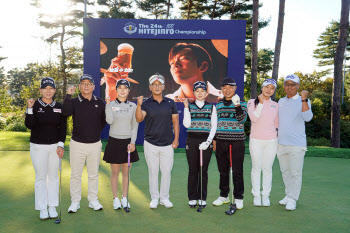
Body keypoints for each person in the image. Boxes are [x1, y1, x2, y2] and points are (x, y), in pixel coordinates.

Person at [62, 74, 106, 213]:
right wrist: (68, 95)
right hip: (77, 144)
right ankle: (75, 202)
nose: (86, 86)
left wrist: (95, 132)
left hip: (95, 144)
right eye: (83, 83)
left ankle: (93, 200)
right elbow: (65, 112)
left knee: (93, 174)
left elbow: (103, 121)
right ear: (79, 86)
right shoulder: (74, 101)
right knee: (76, 174)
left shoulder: (99, 102)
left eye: (89, 83)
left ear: (93, 86)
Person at [25, 77, 67, 220]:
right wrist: (29, 109)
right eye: (45, 88)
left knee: (54, 177)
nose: (48, 91)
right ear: (41, 90)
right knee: (41, 177)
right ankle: (43, 208)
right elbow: (29, 125)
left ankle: (52, 206)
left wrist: (61, 144)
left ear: (54, 90)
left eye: (51, 88)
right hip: (37, 146)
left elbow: (63, 127)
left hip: (55, 147)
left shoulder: (59, 106)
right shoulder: (34, 105)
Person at [135, 73, 180, 209]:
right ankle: (154, 198)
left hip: (167, 144)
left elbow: (175, 122)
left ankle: (164, 198)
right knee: (153, 172)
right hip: (150, 143)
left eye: (159, 84)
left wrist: (176, 139)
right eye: (154, 84)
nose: (157, 87)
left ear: (163, 86)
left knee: (166, 172)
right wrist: (138, 105)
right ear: (150, 87)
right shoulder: (146, 103)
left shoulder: (170, 103)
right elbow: (139, 119)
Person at [277, 74, 313, 211]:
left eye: (293, 84)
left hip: (297, 144)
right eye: (287, 84)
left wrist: (304, 100)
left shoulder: (304, 100)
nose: (290, 87)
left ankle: (293, 199)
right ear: (284, 86)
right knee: (285, 171)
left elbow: (308, 117)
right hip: (281, 143)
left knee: (295, 173)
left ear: (298, 86)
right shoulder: (280, 101)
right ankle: (288, 194)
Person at [103, 79, 139, 210]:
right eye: (120, 88)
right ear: (116, 90)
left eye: (125, 88)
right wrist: (107, 105)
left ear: (129, 91)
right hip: (114, 142)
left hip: (128, 143)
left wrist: (133, 142)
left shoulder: (133, 106)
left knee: (126, 173)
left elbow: (135, 126)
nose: (122, 90)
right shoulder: (111, 104)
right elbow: (109, 120)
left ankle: (124, 197)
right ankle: (115, 199)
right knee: (114, 172)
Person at [212, 77, 247, 210]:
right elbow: (217, 123)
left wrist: (237, 105)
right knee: (223, 171)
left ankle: (238, 198)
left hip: (236, 141)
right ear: (221, 89)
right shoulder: (219, 104)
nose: (227, 90)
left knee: (237, 171)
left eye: (230, 87)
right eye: (224, 87)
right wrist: (215, 139)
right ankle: (224, 195)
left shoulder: (242, 103)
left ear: (235, 88)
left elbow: (242, 119)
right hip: (221, 141)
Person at [182, 81, 217, 208]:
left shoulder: (211, 107)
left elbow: (214, 126)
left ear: (206, 93)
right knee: (193, 170)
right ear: (194, 92)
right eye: (197, 91)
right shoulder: (189, 106)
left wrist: (208, 142)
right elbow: (186, 124)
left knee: (203, 171)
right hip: (192, 140)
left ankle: (202, 197)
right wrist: (186, 107)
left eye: (202, 91)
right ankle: (192, 197)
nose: (200, 93)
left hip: (206, 141)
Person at [247, 78, 279, 207]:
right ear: (262, 87)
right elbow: (253, 118)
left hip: (271, 141)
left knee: (267, 169)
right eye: (267, 87)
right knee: (256, 169)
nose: (269, 90)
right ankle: (256, 196)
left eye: (272, 88)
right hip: (256, 140)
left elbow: (276, 124)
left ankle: (266, 196)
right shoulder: (251, 102)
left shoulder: (276, 105)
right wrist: (260, 103)